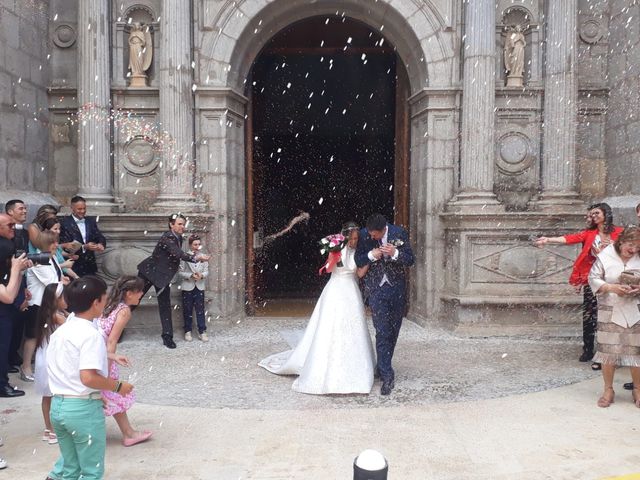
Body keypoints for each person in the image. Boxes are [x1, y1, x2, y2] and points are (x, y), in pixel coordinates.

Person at [259, 222, 375, 394]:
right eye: (352, 239)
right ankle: (324, 367)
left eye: (357, 238)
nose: (355, 242)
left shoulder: (357, 252)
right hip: (336, 289)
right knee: (330, 327)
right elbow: (330, 269)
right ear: (345, 237)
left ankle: (355, 365)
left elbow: (358, 273)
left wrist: (370, 259)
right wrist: (334, 254)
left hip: (351, 291)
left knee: (353, 327)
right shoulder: (337, 249)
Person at [46, 276, 134, 480]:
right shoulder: (90, 334)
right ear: (96, 302)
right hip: (81, 411)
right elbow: (88, 377)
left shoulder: (63, 329)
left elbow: (66, 369)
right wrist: (118, 386)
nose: (106, 301)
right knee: (91, 472)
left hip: (58, 406)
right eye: (104, 297)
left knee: (70, 468)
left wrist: (95, 394)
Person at [534, 203, 623, 369]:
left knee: (610, 318)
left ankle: (606, 354)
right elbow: (569, 238)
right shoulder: (590, 233)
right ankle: (588, 349)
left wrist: (613, 248)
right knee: (589, 316)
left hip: (613, 280)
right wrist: (548, 239)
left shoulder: (619, 233)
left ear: (606, 213)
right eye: (591, 214)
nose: (593, 216)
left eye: (596, 213)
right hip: (594, 280)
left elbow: (630, 249)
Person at [355, 213, 415, 396]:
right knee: (382, 330)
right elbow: (358, 260)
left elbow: (410, 259)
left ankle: (382, 366)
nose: (372, 237)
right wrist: (371, 255)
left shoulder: (399, 233)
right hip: (376, 289)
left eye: (375, 235)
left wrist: (395, 253)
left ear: (383, 230)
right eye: (371, 235)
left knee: (394, 329)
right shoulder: (364, 235)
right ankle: (387, 375)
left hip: (396, 288)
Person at [137, 214, 210, 349]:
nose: (183, 227)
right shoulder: (167, 237)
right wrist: (197, 258)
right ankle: (113, 326)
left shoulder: (178, 237)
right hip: (148, 273)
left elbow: (175, 256)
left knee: (165, 305)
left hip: (163, 277)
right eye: (180, 224)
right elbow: (178, 254)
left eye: (183, 224)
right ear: (171, 224)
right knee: (133, 301)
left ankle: (167, 337)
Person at [96, 275, 152, 447]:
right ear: (128, 293)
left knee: (106, 395)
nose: (141, 294)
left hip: (97, 352)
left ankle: (128, 432)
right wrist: (108, 364)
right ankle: (128, 433)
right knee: (109, 393)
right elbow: (112, 340)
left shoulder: (109, 304)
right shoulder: (124, 311)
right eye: (139, 291)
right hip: (103, 355)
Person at [588, 226, 640, 408]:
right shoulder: (606, 255)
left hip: (635, 309)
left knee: (636, 351)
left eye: (638, 247)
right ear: (621, 241)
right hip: (610, 308)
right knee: (608, 352)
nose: (633, 250)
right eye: (631, 245)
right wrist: (611, 288)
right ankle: (608, 389)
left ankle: (638, 389)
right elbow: (593, 277)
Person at [22, 231, 70, 382]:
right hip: (37, 303)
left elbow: (57, 277)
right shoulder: (39, 260)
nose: (57, 245)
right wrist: (63, 283)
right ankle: (26, 368)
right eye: (53, 243)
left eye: (56, 242)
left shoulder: (53, 257)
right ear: (45, 244)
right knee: (33, 336)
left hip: (48, 302)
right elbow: (51, 283)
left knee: (46, 335)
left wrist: (63, 278)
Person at [0, 213, 31, 397]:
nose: (14, 228)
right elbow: (8, 296)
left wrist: (19, 272)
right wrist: (15, 269)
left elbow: (12, 287)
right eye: (9, 226)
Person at [34, 283, 68, 445]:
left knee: (47, 396)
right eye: (62, 297)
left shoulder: (47, 313)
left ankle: (48, 428)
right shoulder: (56, 315)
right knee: (54, 395)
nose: (65, 299)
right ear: (54, 300)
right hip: (51, 359)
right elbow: (72, 327)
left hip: (44, 356)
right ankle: (53, 430)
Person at [5, 199, 29, 371]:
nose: (25, 211)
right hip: (6, 282)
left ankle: (12, 356)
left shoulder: (25, 233)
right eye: (21, 208)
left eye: (26, 208)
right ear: (10, 212)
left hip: (20, 279)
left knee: (18, 321)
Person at [59, 195, 107, 277]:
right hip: (73, 265)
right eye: (79, 209)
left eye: (84, 208)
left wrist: (101, 244)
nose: (82, 211)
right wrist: (84, 247)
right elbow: (65, 246)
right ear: (72, 208)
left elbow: (99, 236)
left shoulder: (90, 221)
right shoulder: (64, 223)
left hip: (90, 265)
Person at [179, 234, 209, 342]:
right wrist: (190, 275)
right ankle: (188, 331)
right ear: (190, 245)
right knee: (187, 309)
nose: (197, 246)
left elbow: (206, 271)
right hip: (188, 286)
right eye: (195, 244)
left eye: (199, 244)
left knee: (200, 310)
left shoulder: (203, 256)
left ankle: (202, 331)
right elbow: (181, 272)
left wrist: (202, 275)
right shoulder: (185, 256)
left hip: (199, 286)